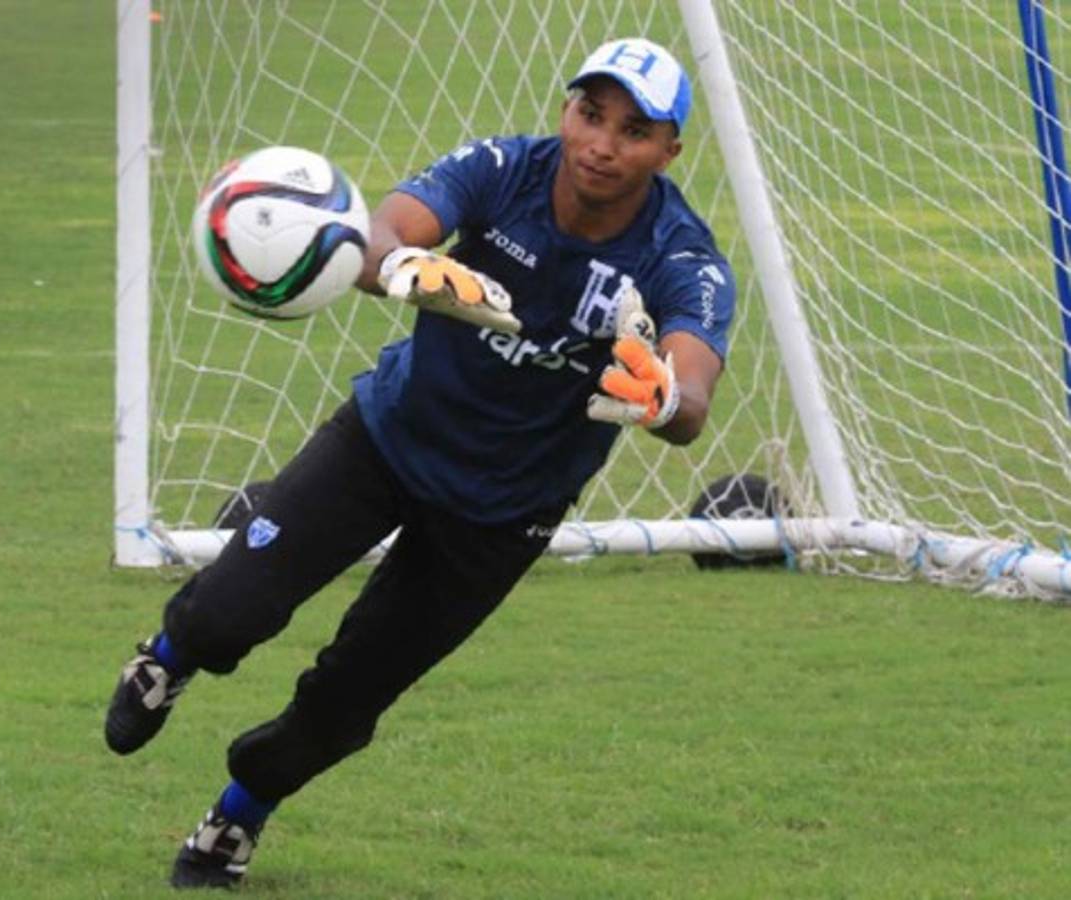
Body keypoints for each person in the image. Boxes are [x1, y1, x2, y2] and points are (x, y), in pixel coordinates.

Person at [104, 37, 735, 890]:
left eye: (632, 130)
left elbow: (691, 396)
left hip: (503, 514)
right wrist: (407, 264)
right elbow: (380, 232)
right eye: (591, 114)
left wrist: (662, 396)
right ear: (566, 111)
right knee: (227, 613)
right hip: (384, 441)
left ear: (667, 152)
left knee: (345, 702)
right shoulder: (502, 168)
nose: (601, 143)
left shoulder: (680, 253)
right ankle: (167, 656)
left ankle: (236, 815)